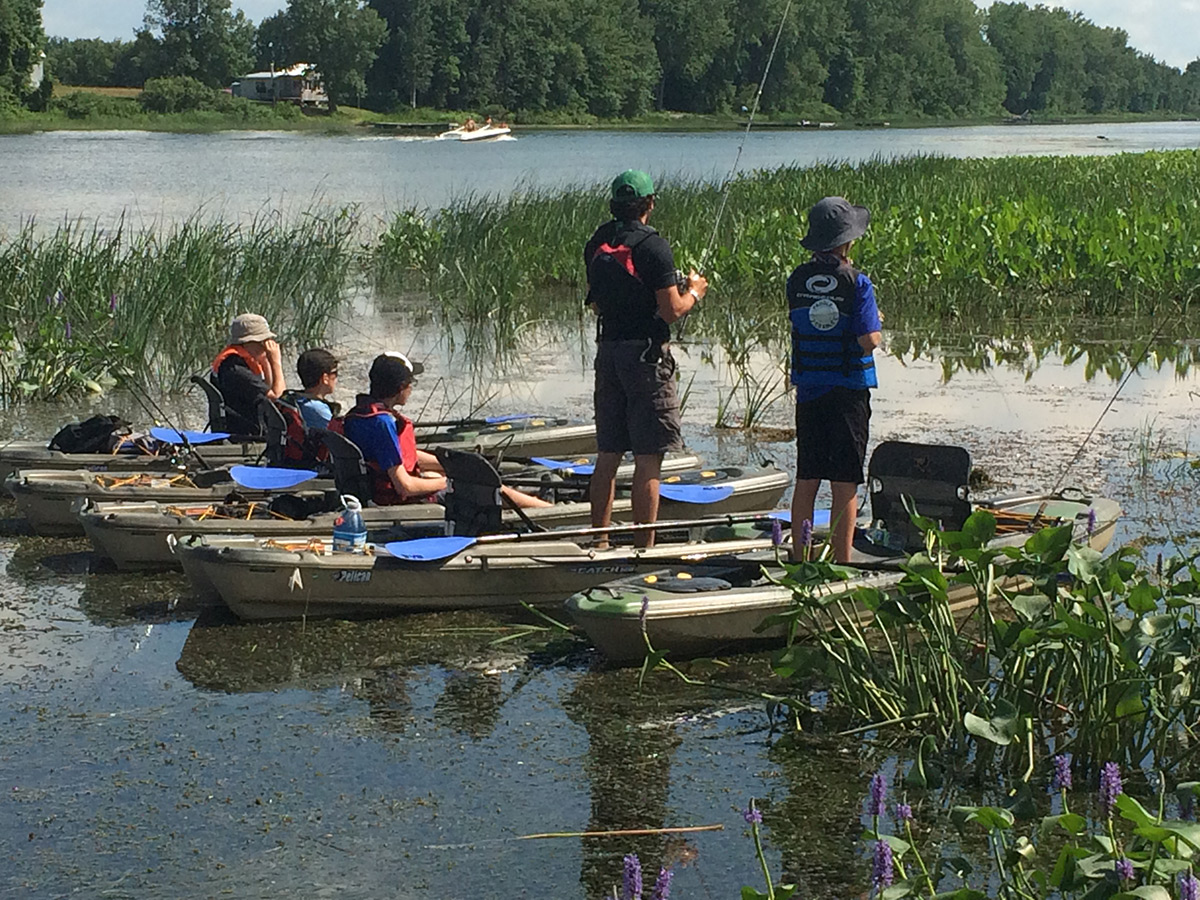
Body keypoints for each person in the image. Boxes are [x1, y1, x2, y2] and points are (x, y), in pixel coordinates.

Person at [584, 169, 707, 547]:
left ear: (614, 205)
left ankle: (600, 540)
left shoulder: (597, 242)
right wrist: (696, 292)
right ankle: (643, 546)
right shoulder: (655, 247)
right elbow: (671, 310)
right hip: (646, 357)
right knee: (648, 455)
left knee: (608, 452)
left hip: (609, 351)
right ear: (649, 204)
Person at [787, 196, 882, 563]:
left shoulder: (796, 279)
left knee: (807, 477)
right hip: (847, 392)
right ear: (847, 242)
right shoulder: (858, 282)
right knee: (845, 482)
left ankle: (800, 557)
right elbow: (867, 340)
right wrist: (878, 326)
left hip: (810, 391)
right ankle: (843, 562)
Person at [343, 352, 551, 509]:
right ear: (400, 388)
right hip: (397, 501)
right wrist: (451, 481)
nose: (411, 389)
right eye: (411, 384)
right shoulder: (383, 424)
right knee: (487, 488)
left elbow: (399, 456)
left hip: (379, 488)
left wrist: (457, 464)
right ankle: (549, 510)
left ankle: (532, 499)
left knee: (443, 473)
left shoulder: (358, 414)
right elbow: (404, 486)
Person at [211, 313, 286, 435]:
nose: (265, 346)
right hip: (247, 430)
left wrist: (265, 361)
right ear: (247, 342)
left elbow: (268, 389)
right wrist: (276, 362)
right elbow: (279, 399)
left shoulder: (236, 362)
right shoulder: (236, 369)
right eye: (261, 342)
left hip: (246, 423)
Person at [283, 348, 341, 429]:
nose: (336, 378)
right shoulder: (318, 410)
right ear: (325, 378)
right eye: (335, 373)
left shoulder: (296, 399)